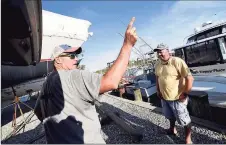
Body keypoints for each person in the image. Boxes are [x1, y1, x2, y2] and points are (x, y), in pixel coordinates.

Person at [34, 17, 138, 144]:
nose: (76, 59)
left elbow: (38, 113)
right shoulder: (71, 76)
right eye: (71, 56)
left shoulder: (46, 84)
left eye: (76, 56)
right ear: (58, 60)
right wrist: (127, 45)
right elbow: (110, 82)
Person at [154, 43, 194, 144]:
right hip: (164, 97)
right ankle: (172, 129)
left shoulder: (177, 61)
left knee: (184, 120)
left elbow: (189, 78)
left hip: (177, 97)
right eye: (158, 52)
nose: (159, 54)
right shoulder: (157, 63)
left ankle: (188, 139)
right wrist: (158, 90)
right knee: (170, 116)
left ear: (168, 50)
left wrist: (185, 93)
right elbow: (157, 77)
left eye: (161, 51)